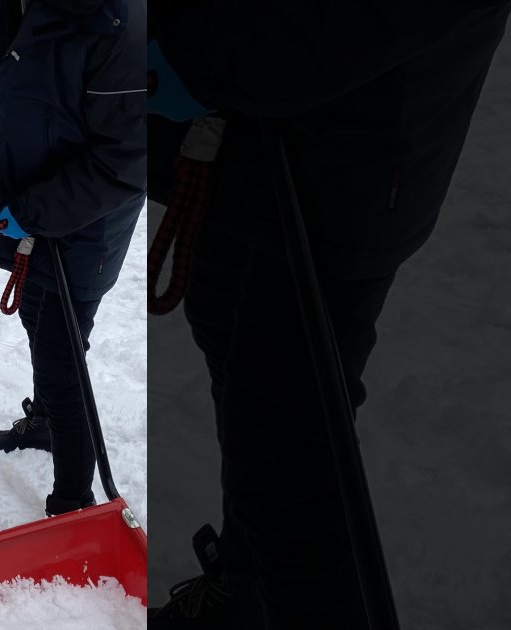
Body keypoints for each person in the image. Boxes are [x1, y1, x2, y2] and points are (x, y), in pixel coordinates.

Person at [146, 2, 511, 628]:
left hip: (349, 147)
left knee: (288, 441)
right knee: (226, 334)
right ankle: (248, 594)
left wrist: (201, 54)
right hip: (240, 134)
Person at [0, 0, 146, 516]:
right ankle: (45, 423)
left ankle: (73, 505)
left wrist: (30, 213)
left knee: (62, 358)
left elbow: (128, 158)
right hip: (25, 201)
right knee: (34, 314)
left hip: (84, 222)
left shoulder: (119, 22)